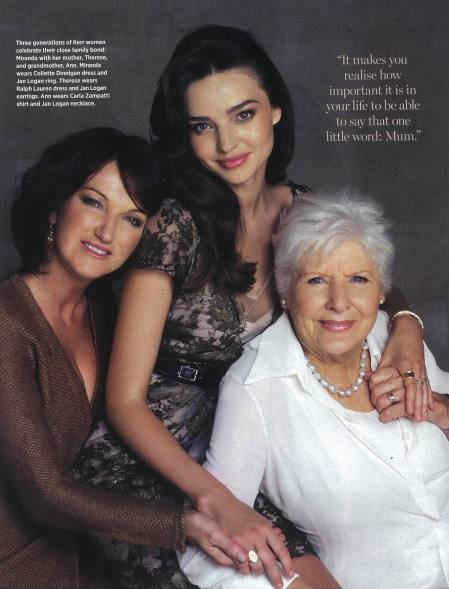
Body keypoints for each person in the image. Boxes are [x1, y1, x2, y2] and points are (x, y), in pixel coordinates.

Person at [75, 26, 427, 589]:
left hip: (248, 441)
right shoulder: (176, 226)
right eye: (202, 126)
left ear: (276, 113)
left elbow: (370, 278)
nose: (226, 144)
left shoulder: (302, 211)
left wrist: (406, 326)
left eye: (243, 115)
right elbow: (124, 401)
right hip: (150, 457)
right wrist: (220, 501)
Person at [0, 127, 248, 589]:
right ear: (56, 208)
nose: (107, 232)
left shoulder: (105, 309)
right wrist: (183, 525)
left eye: (133, 219)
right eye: (93, 202)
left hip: (91, 551)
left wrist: (402, 318)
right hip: (19, 563)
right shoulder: (7, 323)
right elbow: (42, 495)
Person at [179, 190, 449, 589]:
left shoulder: (394, 340)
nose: (339, 303)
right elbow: (208, 541)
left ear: (380, 291)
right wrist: (287, 587)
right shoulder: (256, 386)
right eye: (317, 280)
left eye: (358, 279)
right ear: (287, 291)